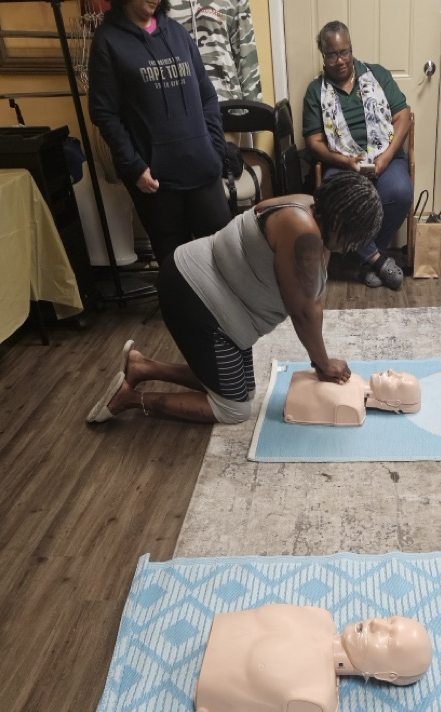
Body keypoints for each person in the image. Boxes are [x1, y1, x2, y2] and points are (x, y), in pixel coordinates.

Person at [86, 172, 384, 425]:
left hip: (200, 292)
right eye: (354, 236)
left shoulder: (309, 208)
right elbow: (304, 310)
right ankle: (128, 399)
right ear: (341, 219)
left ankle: (143, 367)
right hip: (197, 300)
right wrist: (323, 364)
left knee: (244, 390)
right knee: (233, 409)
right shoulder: (304, 231)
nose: (351, 247)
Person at [88, 0, 231, 267]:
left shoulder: (176, 32)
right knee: (176, 265)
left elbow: (207, 95)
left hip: (203, 169)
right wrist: (135, 167)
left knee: (222, 255)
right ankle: (184, 310)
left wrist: (215, 147)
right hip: (155, 181)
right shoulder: (108, 40)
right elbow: (104, 113)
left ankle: (225, 310)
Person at [303, 21, 413, 291]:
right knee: (337, 203)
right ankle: (376, 258)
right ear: (323, 54)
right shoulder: (315, 91)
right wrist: (345, 161)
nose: (340, 60)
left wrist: (386, 157)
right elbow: (314, 142)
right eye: (332, 54)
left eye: (345, 52)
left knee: (400, 191)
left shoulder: (378, 75)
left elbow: (404, 116)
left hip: (384, 157)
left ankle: (366, 259)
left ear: (352, 49)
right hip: (343, 163)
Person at [195, 605, 433, 712]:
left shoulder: (315, 700)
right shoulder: (319, 617)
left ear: (385, 675)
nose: (376, 624)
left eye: (388, 640)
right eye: (389, 620)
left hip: (208, 686)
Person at [166, 0, 262, 101]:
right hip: (180, 101)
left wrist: (255, 111)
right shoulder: (157, 4)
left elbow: (246, 55)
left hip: (226, 100)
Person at [284, 369, 421, 426]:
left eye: (397, 381)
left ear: (393, 403)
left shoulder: (352, 409)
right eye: (398, 373)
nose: (391, 371)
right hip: (299, 383)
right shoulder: (355, 378)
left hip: (294, 404)